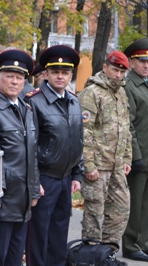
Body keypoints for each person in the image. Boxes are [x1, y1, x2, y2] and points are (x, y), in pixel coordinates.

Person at [25, 45, 84, 266]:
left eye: (65, 72)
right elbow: (30, 145)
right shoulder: (34, 101)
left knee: (60, 229)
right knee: (39, 232)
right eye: (56, 71)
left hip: (65, 177)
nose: (61, 76)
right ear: (46, 73)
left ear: (71, 75)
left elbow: (77, 140)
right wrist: (35, 181)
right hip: (45, 178)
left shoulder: (74, 100)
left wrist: (77, 173)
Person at [0, 49, 39, 266]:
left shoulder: (27, 109)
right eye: (9, 76)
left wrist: (34, 191)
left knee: (15, 258)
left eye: (19, 77)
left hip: (23, 200)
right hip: (2, 201)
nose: (15, 82)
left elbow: (32, 154)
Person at [78, 51, 131, 256]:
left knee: (120, 211)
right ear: (104, 67)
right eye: (115, 70)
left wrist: (126, 158)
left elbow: (125, 128)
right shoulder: (92, 92)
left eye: (121, 72)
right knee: (94, 214)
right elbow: (84, 131)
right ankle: (89, 256)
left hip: (117, 165)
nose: (118, 75)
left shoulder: (121, 93)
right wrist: (88, 165)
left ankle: (106, 254)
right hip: (98, 167)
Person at [122, 38, 148, 262]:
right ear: (131, 62)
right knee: (135, 204)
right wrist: (136, 157)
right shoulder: (129, 85)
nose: (146, 65)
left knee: (146, 203)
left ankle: (143, 242)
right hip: (140, 156)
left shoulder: (146, 83)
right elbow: (129, 125)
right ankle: (130, 244)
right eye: (142, 61)